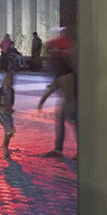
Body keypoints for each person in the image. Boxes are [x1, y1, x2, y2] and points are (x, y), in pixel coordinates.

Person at [38, 26, 77, 157]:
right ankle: (59, 149)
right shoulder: (64, 69)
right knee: (66, 121)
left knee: (73, 122)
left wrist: (41, 103)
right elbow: (52, 87)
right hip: (70, 101)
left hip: (72, 101)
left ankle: (66, 150)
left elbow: (55, 87)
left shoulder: (64, 70)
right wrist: (41, 102)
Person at [0, 66, 16, 155]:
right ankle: (5, 148)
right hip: (1, 114)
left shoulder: (11, 91)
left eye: (11, 80)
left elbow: (12, 102)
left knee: (11, 131)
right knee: (9, 130)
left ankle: (4, 145)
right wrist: (2, 108)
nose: (9, 81)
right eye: (7, 79)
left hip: (8, 114)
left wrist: (10, 109)